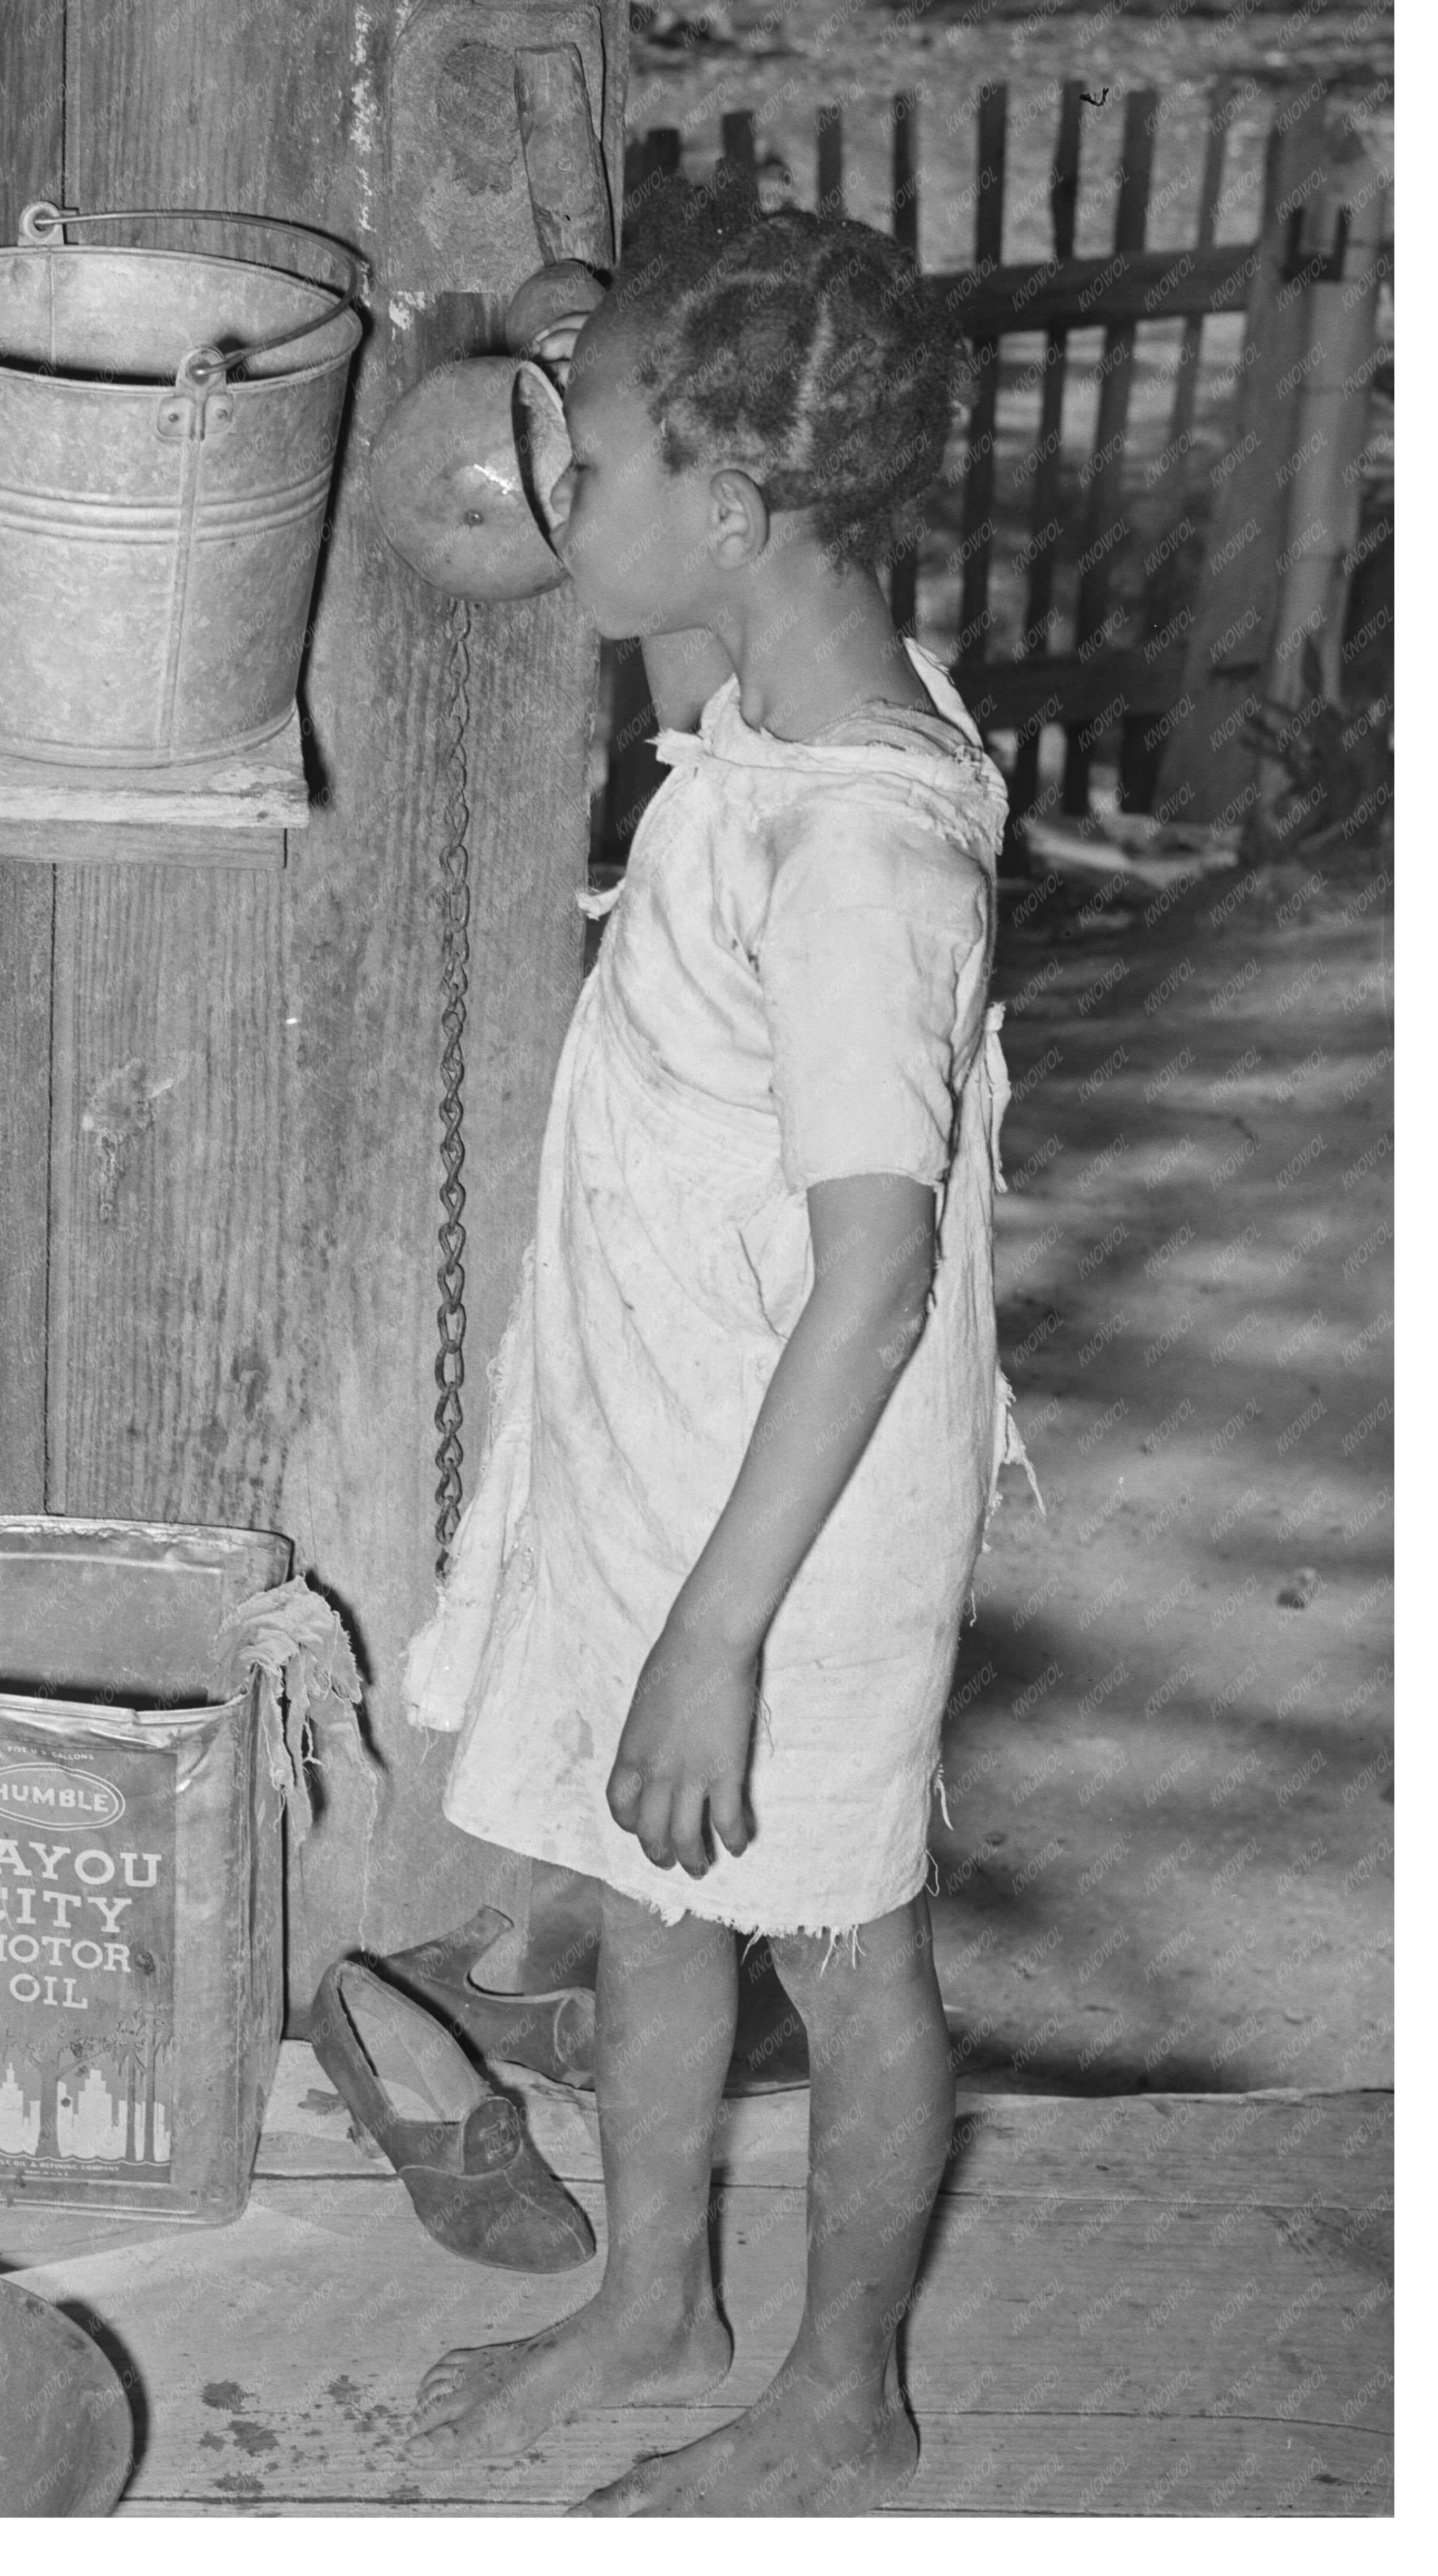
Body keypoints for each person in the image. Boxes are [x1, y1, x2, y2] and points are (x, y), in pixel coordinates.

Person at [399, 183, 1032, 2516]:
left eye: (601, 463)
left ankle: (843, 2398)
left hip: (802, 1518)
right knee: (655, 1895)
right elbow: (679, 644)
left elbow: (872, 1285)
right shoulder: (770, 688)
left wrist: (719, 1638)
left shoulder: (865, 861)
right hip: (684, 1442)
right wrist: (605, 352)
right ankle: (656, 2301)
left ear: (742, 506)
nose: (561, 492)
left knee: (843, 1947)